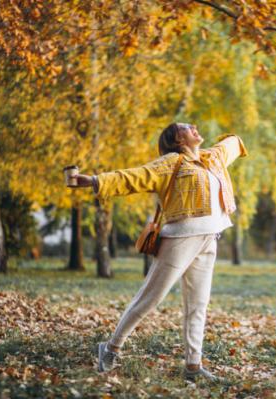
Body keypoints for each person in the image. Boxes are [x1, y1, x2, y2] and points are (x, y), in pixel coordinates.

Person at [71, 123, 247, 382]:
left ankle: (193, 366)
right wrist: (95, 181)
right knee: (150, 298)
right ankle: (110, 349)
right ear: (177, 139)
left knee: (198, 304)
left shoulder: (212, 158)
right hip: (179, 240)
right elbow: (135, 176)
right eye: (188, 128)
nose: (194, 127)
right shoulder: (171, 162)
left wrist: (234, 138)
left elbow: (232, 143)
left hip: (209, 239)